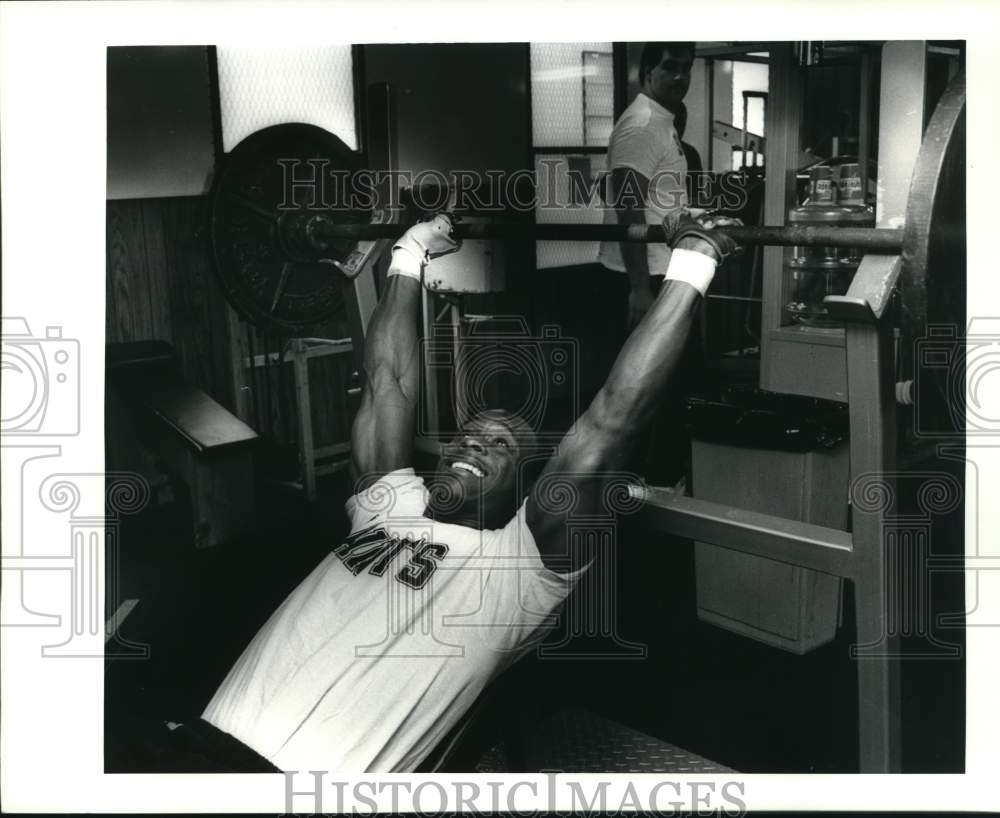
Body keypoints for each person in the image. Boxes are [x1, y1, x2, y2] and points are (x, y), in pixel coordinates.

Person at [188, 210, 736, 774]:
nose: (471, 444)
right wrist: (409, 253)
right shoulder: (387, 509)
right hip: (188, 750)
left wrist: (692, 263)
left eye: (499, 446)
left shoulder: (519, 568)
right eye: (467, 435)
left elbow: (611, 420)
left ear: (529, 490)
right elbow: (388, 381)